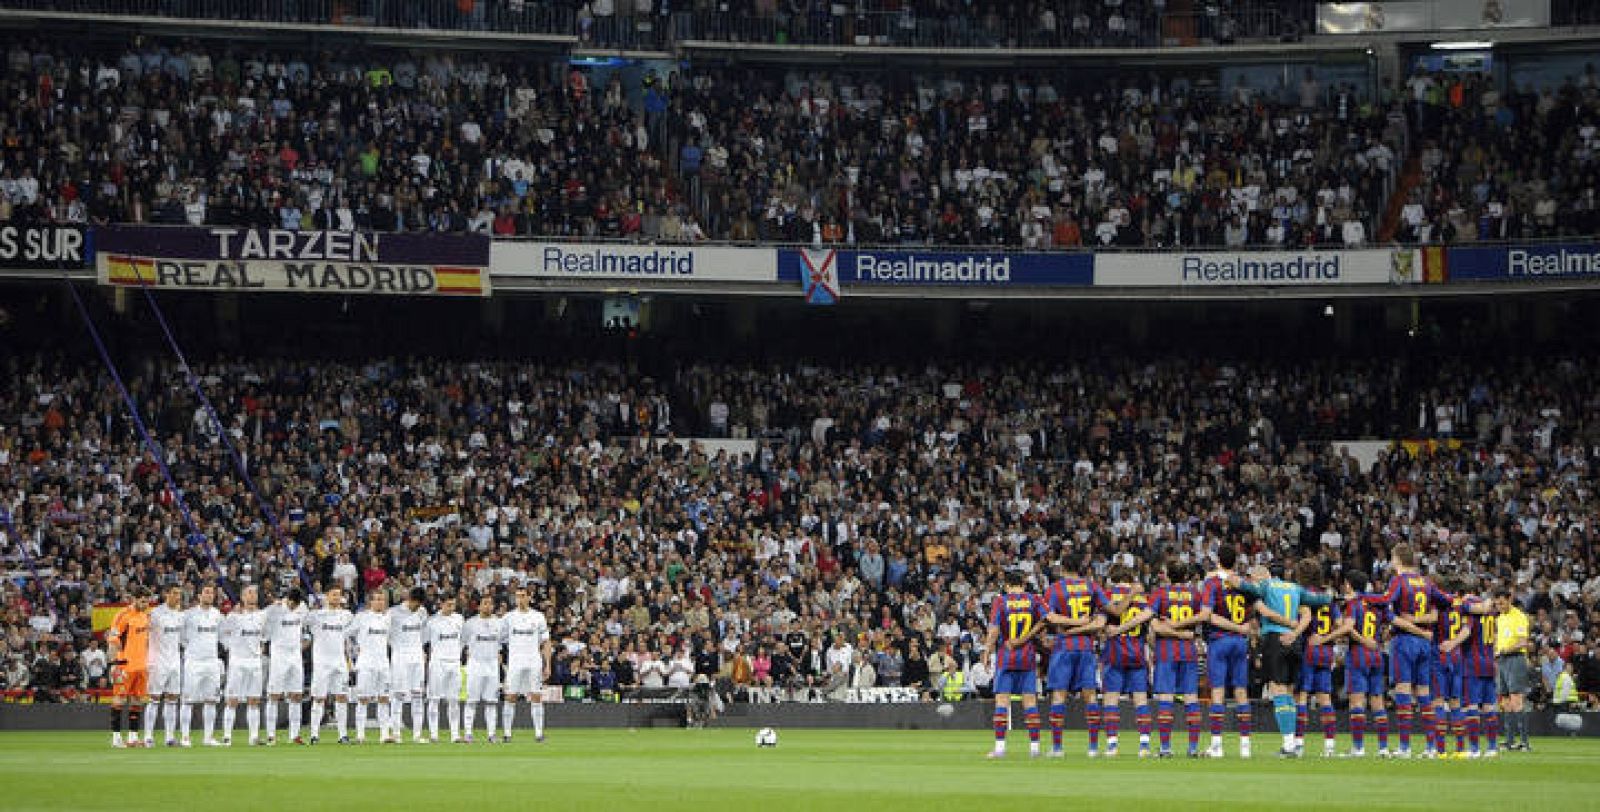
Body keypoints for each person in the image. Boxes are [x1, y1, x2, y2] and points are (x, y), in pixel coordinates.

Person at [1233, 560, 1331, 758]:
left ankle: (1288, 745)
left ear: (1260, 577)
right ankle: (1294, 742)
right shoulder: (1295, 588)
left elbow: (1245, 587)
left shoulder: (1265, 586)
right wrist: (1295, 632)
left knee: (1277, 691)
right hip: (1294, 643)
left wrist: (1228, 577)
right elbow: (1323, 600)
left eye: (1254, 578)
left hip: (1275, 639)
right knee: (1288, 692)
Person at [1372, 543, 1450, 758]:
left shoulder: (1399, 580)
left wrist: (1362, 597)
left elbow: (1386, 604)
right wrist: (1424, 623)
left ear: (1397, 559)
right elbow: (1445, 602)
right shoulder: (1425, 582)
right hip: (1425, 644)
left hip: (1404, 641)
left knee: (1403, 692)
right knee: (1424, 694)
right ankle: (1431, 747)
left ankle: (1405, 747)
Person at [1040, 555, 1108, 757]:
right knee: (1090, 696)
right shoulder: (1093, 587)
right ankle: (1093, 748)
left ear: (1062, 568)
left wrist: (1071, 626)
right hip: (1086, 646)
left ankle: (1057, 747)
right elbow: (1104, 616)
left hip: (1063, 647)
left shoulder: (1055, 589)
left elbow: (1050, 617)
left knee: (1059, 695)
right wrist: (1084, 624)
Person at [983, 570, 1049, 759]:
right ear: (1024, 583)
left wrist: (987, 650)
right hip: (1027, 657)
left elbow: (994, 630)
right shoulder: (1034, 599)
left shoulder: (1000, 601)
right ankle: (1035, 748)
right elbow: (1046, 619)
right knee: (1030, 703)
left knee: (1002, 702)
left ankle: (1000, 748)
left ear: (1006, 585)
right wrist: (1031, 634)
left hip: (1006, 656)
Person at [1199, 546, 1257, 758]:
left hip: (1220, 640)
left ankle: (1216, 746)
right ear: (1235, 562)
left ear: (1218, 561)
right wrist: (1245, 630)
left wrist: (1236, 627)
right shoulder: (1243, 585)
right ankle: (1245, 747)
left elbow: (1209, 616)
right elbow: (1252, 615)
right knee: (1241, 692)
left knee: (1218, 693)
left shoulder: (1212, 583)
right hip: (1240, 643)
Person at [1147, 562, 1205, 758]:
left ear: (1168, 576)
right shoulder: (1196, 595)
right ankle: (1193, 748)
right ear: (1187, 577)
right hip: (1189, 650)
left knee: (1166, 698)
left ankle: (1165, 748)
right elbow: (1199, 623)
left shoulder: (1160, 594)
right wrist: (1184, 634)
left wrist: (1170, 629)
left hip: (1166, 651)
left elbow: (1156, 627)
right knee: (1191, 698)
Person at [1097, 567, 1154, 758]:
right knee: (1140, 700)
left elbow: (1101, 622)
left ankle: (1112, 745)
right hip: (1137, 653)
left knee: (1111, 699)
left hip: (1114, 653)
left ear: (1113, 578)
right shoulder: (1143, 598)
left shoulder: (1107, 594)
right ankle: (1144, 745)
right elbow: (1151, 628)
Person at [1341, 570, 1391, 757]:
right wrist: (1380, 638)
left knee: (1357, 702)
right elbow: (1390, 624)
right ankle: (1383, 748)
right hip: (1377, 654)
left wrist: (1363, 640)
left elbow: (1349, 628)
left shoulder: (1353, 604)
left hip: (1359, 654)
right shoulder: (1376, 603)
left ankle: (1358, 748)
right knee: (1378, 702)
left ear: (1349, 584)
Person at [1296, 581, 1343, 758]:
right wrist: (1326, 637)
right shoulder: (1328, 598)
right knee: (1325, 699)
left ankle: (1299, 744)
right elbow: (1339, 624)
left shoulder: (1303, 595)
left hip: (1309, 649)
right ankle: (1329, 746)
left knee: (1302, 697)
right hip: (1326, 651)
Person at [501, 586, 552, 743]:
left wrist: (547, 664)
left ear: (529, 597)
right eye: (517, 596)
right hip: (515, 661)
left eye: (523, 596)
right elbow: (499, 640)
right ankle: (507, 734)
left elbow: (545, 642)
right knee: (510, 696)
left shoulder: (538, 617)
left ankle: (538, 733)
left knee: (536, 696)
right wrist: (501, 662)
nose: (520, 599)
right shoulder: (508, 618)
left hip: (533, 661)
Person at [219, 585, 267, 746]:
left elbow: (265, 635)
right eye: (249, 593)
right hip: (238, 661)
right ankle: (227, 737)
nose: (252, 596)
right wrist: (230, 647)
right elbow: (222, 633)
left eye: (254, 593)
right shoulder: (233, 617)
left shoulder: (263, 615)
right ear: (242, 597)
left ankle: (253, 737)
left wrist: (262, 644)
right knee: (232, 700)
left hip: (255, 662)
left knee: (254, 700)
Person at [262, 588, 310, 745]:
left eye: (296, 604)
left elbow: (305, 627)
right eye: (291, 603)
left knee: (296, 695)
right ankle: (271, 735)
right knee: (274, 695)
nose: (293, 607)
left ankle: (294, 734)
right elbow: (262, 620)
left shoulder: (302, 608)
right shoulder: (275, 610)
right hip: (279, 656)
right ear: (286, 599)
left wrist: (303, 642)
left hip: (295, 656)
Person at [180, 583, 225, 747]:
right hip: (194, 662)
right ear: (199, 596)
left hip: (212, 662)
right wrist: (191, 649)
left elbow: (221, 636)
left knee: (211, 700)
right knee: (188, 700)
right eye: (206, 592)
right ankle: (185, 737)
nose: (209, 595)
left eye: (211, 593)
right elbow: (181, 637)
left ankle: (208, 737)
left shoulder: (217, 615)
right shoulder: (188, 615)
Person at [307, 586, 354, 745]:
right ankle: (314, 734)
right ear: (326, 596)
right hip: (322, 662)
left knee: (342, 697)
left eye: (338, 595)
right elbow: (302, 620)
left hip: (339, 661)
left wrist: (349, 660)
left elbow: (348, 638)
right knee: (319, 698)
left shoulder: (347, 616)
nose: (336, 597)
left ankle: (343, 735)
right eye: (333, 594)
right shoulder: (316, 616)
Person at [106, 586, 152, 749]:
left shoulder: (146, 615)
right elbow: (112, 640)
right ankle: (116, 738)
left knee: (137, 701)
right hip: (124, 665)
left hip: (141, 666)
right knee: (119, 699)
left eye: (147, 601)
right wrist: (113, 665)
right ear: (134, 599)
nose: (145, 603)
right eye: (142, 600)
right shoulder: (123, 615)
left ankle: (132, 738)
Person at [348, 589, 394, 744]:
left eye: (383, 599)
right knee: (363, 699)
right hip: (366, 663)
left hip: (383, 663)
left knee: (384, 698)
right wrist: (353, 650)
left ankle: (385, 734)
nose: (381, 602)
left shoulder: (388, 618)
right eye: (378, 599)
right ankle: (360, 735)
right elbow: (347, 633)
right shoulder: (362, 617)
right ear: (371, 601)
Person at [145, 585, 187, 747]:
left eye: (180, 594)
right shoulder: (155, 614)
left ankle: (169, 737)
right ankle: (148, 736)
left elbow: (182, 639)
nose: (178, 597)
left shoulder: (180, 616)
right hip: (158, 662)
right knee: (154, 698)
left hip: (175, 662)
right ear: (166, 594)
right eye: (175, 593)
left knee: (172, 699)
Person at [387, 587, 430, 743]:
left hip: (417, 658)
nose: (417, 607)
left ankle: (417, 735)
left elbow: (423, 635)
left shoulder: (422, 612)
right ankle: (396, 733)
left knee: (418, 696)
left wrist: (422, 651)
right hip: (400, 657)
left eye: (419, 605)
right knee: (398, 695)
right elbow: (385, 634)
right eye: (415, 604)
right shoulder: (393, 613)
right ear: (409, 599)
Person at [462, 594, 506, 743]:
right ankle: (468, 733)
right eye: (485, 603)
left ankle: (491, 734)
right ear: (479, 606)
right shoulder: (469, 624)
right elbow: (462, 643)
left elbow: (502, 644)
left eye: (490, 603)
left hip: (492, 665)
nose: (488, 606)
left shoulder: (500, 623)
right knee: (471, 700)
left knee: (491, 701)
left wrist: (500, 658)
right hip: (475, 664)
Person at [1494, 586, 1532, 751]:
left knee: (1516, 700)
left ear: (1509, 599)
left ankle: (1524, 742)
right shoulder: (1500, 618)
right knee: (1506, 701)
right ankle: (1509, 741)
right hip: (1502, 660)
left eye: (1502, 603)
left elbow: (1523, 642)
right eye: (1497, 604)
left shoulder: (1519, 616)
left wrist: (1504, 650)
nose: (1500, 607)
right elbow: (1499, 639)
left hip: (1515, 659)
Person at [425, 594, 466, 743]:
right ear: (440, 604)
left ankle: (455, 735)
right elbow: (425, 641)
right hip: (438, 662)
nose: (451, 608)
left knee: (454, 700)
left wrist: (457, 654)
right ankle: (434, 735)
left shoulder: (459, 619)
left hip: (454, 662)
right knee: (434, 699)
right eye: (448, 604)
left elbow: (463, 640)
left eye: (453, 605)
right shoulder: (432, 622)